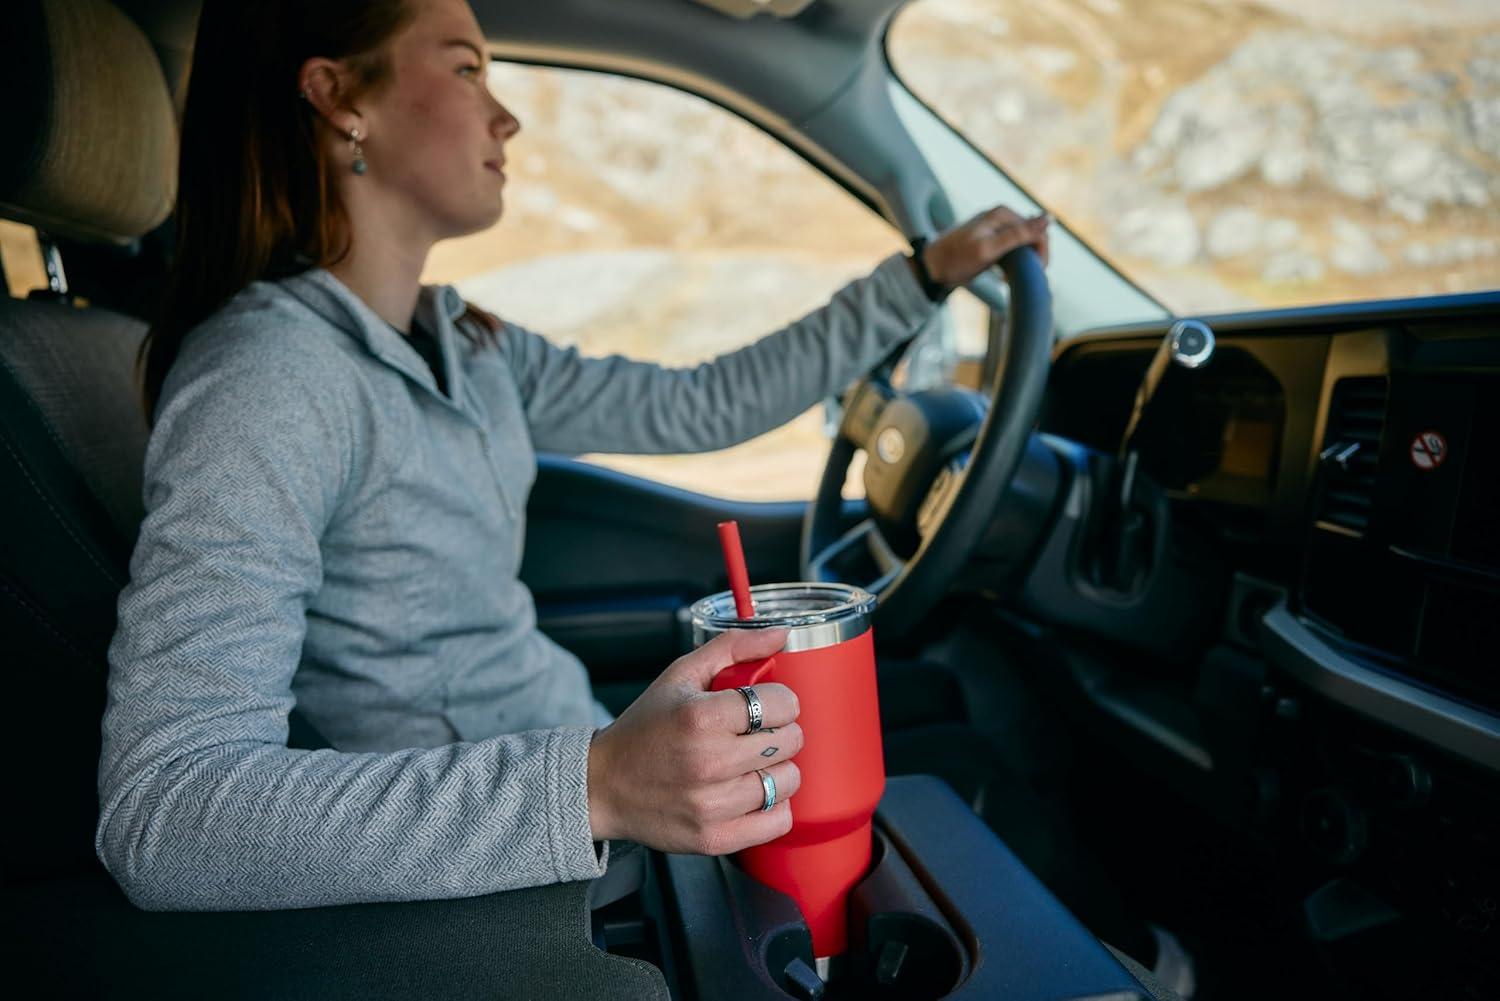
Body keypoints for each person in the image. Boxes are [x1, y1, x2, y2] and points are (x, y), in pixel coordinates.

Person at [96, 0, 1050, 912]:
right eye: (466, 69)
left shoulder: (466, 342)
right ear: (339, 97)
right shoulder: (266, 378)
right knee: (967, 794)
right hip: (510, 890)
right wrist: (596, 784)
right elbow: (168, 812)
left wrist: (919, 281)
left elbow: (697, 403)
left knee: (946, 755)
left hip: (578, 798)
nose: (504, 116)